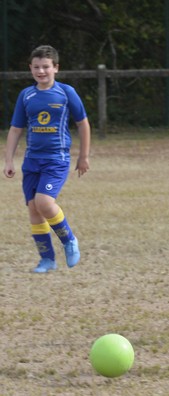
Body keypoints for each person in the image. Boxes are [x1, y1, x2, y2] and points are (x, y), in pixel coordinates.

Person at [3, 45, 91, 273]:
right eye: (36, 67)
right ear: (30, 68)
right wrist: (9, 160)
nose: (41, 71)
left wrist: (83, 156)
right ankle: (47, 260)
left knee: (44, 203)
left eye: (45, 67)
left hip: (56, 159)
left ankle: (69, 240)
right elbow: (15, 129)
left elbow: (83, 124)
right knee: (34, 209)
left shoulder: (66, 92)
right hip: (32, 160)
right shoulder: (26, 95)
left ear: (56, 68)